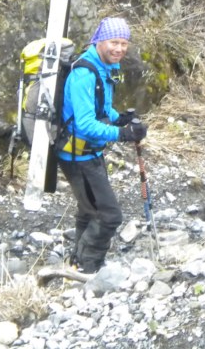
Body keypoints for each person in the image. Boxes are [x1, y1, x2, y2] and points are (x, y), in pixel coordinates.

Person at [58, 17, 147, 273]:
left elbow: (102, 109)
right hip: (78, 156)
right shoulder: (84, 74)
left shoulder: (103, 68)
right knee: (108, 216)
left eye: (123, 43)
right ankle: (89, 268)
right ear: (99, 40)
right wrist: (122, 134)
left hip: (89, 152)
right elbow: (85, 124)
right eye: (114, 42)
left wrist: (123, 119)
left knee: (88, 211)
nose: (119, 48)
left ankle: (76, 262)